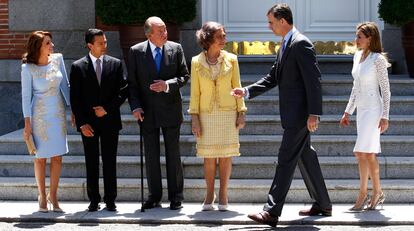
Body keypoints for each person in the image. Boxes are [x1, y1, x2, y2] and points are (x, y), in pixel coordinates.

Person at [231, 3, 332, 227]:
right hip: (293, 114)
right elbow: (272, 77)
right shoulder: (286, 44)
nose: (269, 27)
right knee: (306, 156)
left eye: (271, 22)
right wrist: (247, 91)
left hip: (300, 115)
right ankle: (323, 203)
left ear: (283, 21)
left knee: (285, 160)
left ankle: (271, 211)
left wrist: (314, 113)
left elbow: (314, 81)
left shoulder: (301, 44)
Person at [127, 16, 189, 210]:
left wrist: (167, 85)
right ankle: (154, 196)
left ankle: (176, 196)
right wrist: (135, 107)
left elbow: (184, 76)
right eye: (160, 30)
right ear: (149, 34)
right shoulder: (136, 52)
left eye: (165, 29)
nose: (165, 33)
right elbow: (133, 84)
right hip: (147, 111)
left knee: (173, 154)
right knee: (151, 155)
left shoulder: (175, 48)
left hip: (171, 109)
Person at [189, 22, 247, 211]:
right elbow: (194, 93)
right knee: (208, 157)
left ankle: (223, 193)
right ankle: (209, 194)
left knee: (225, 156)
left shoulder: (232, 59)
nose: (224, 39)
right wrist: (194, 118)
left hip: (228, 114)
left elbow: (237, 87)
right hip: (206, 114)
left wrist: (241, 113)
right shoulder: (196, 62)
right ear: (208, 39)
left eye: (224, 35)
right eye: (220, 36)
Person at [70, 28, 128, 212]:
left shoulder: (116, 64)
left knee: (110, 162)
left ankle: (111, 200)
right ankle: (93, 200)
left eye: (105, 42)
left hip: (110, 121)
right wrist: (81, 123)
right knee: (91, 161)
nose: (104, 46)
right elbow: (75, 98)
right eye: (100, 43)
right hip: (88, 124)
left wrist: (107, 109)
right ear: (90, 45)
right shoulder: (78, 67)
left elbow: (123, 92)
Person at [339, 22, 390, 212]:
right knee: (362, 153)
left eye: (359, 36)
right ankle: (370, 192)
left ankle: (370, 194)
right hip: (362, 110)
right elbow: (355, 87)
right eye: (356, 36)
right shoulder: (357, 56)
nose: (356, 40)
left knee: (366, 153)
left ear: (370, 38)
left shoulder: (378, 60)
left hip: (374, 110)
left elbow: (386, 90)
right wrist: (347, 111)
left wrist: (385, 116)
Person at [21, 31, 70, 213]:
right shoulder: (27, 68)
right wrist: (27, 124)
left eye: (51, 42)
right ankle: (42, 195)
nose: (52, 46)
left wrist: (72, 109)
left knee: (57, 157)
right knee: (40, 158)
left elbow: (65, 86)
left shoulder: (58, 59)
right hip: (38, 115)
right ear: (38, 47)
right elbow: (26, 97)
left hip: (57, 112)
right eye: (48, 43)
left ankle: (54, 195)